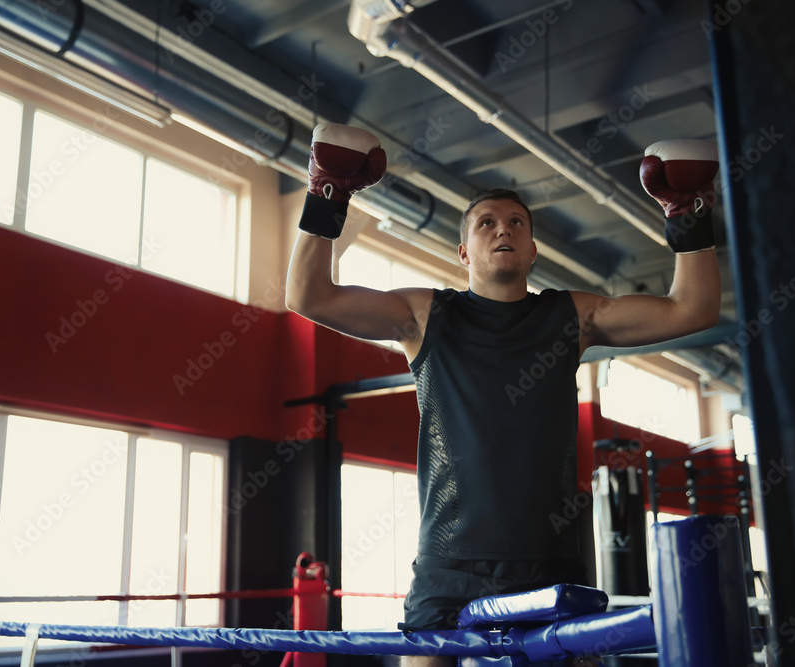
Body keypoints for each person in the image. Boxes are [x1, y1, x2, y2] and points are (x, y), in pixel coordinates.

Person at [285, 124, 721, 666]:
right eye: (486, 223)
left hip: (550, 564)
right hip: (447, 564)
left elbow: (693, 309)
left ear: (534, 249)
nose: (503, 229)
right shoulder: (425, 315)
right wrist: (329, 191)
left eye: (516, 222)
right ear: (464, 250)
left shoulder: (571, 316)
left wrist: (688, 211)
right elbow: (308, 295)